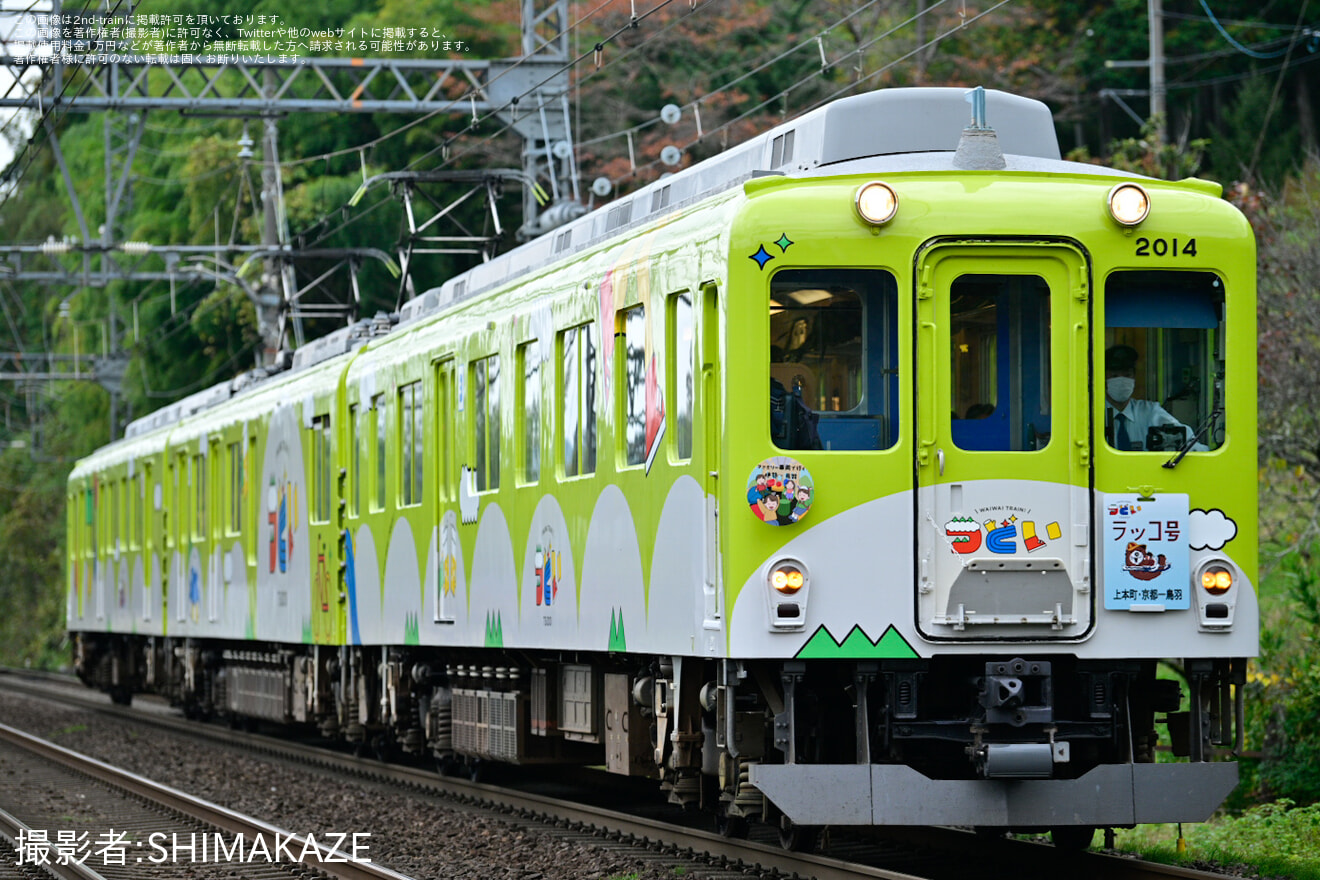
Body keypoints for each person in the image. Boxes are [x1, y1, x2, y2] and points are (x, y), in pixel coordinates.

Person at [1104, 345, 1205, 451]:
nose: (1121, 382)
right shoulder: (1093, 415)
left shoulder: (1149, 411)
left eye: (1127, 375)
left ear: (1134, 378)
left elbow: (1186, 441)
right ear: (1104, 378)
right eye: (1114, 376)